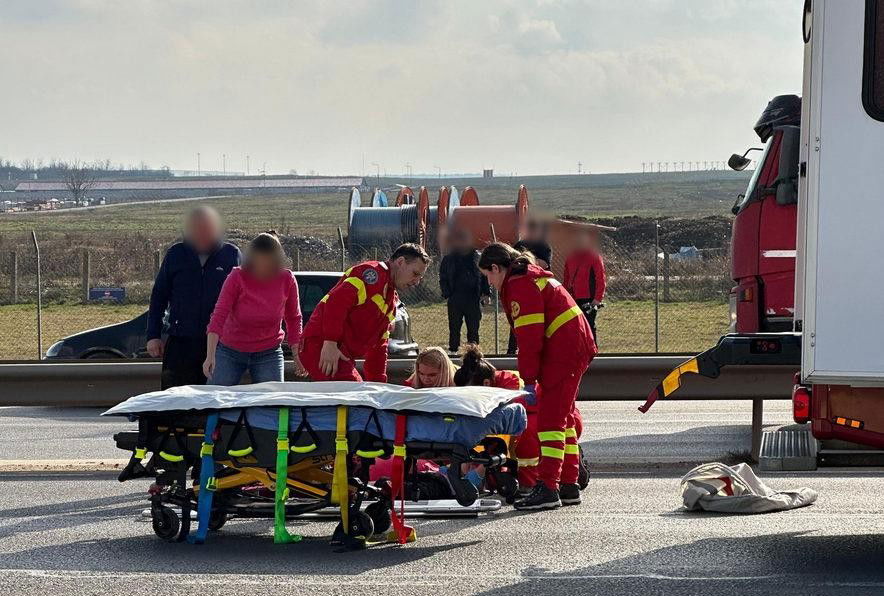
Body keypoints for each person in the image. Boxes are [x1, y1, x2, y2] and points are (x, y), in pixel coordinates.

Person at [479, 242, 597, 511]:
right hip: (571, 347)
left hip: (563, 352)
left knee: (549, 422)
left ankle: (548, 488)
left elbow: (529, 339)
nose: (489, 283)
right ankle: (568, 484)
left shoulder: (519, 284)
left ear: (496, 268)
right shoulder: (529, 277)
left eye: (488, 276)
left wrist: (529, 380)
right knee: (564, 419)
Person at [300, 243, 430, 382]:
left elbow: (379, 348)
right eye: (415, 274)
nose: (416, 282)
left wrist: (379, 384)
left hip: (337, 351)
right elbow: (335, 303)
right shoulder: (371, 276)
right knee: (353, 390)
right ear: (400, 262)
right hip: (320, 346)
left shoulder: (390, 301)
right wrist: (330, 343)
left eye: (420, 277)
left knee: (358, 390)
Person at [147, 206, 241, 389]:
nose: (202, 233)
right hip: (181, 342)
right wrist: (153, 335)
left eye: (207, 228)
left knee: (215, 400)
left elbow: (245, 299)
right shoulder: (176, 255)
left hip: (221, 346)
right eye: (197, 228)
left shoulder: (231, 255)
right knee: (176, 399)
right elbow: (159, 297)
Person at [203, 232, 304, 385]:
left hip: (269, 351)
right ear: (251, 260)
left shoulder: (287, 279)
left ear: (276, 262)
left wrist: (297, 354)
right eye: (259, 264)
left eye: (268, 265)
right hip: (230, 350)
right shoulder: (237, 277)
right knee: (214, 395)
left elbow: (294, 318)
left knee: (272, 398)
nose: (263, 269)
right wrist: (210, 356)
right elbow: (219, 316)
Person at [439, 228, 490, 356]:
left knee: (473, 328)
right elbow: (443, 277)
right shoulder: (449, 259)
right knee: (454, 327)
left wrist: (486, 293)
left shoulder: (478, 257)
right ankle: (453, 351)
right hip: (455, 298)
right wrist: (446, 293)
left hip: (473, 298)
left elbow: (485, 276)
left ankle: (473, 353)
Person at [507, 220, 552, 355]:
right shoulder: (519, 245)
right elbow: (511, 263)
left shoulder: (543, 247)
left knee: (539, 321)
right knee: (517, 318)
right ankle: (512, 350)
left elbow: (543, 264)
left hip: (537, 289)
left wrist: (525, 261)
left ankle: (539, 349)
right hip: (520, 289)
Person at [563, 229, 606, 343]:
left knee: (589, 326)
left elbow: (600, 279)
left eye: (582, 240)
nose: (580, 242)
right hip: (573, 298)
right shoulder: (571, 257)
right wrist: (565, 297)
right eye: (578, 240)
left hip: (589, 299)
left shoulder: (594, 256)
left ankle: (592, 350)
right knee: (576, 327)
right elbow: (566, 279)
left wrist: (597, 299)